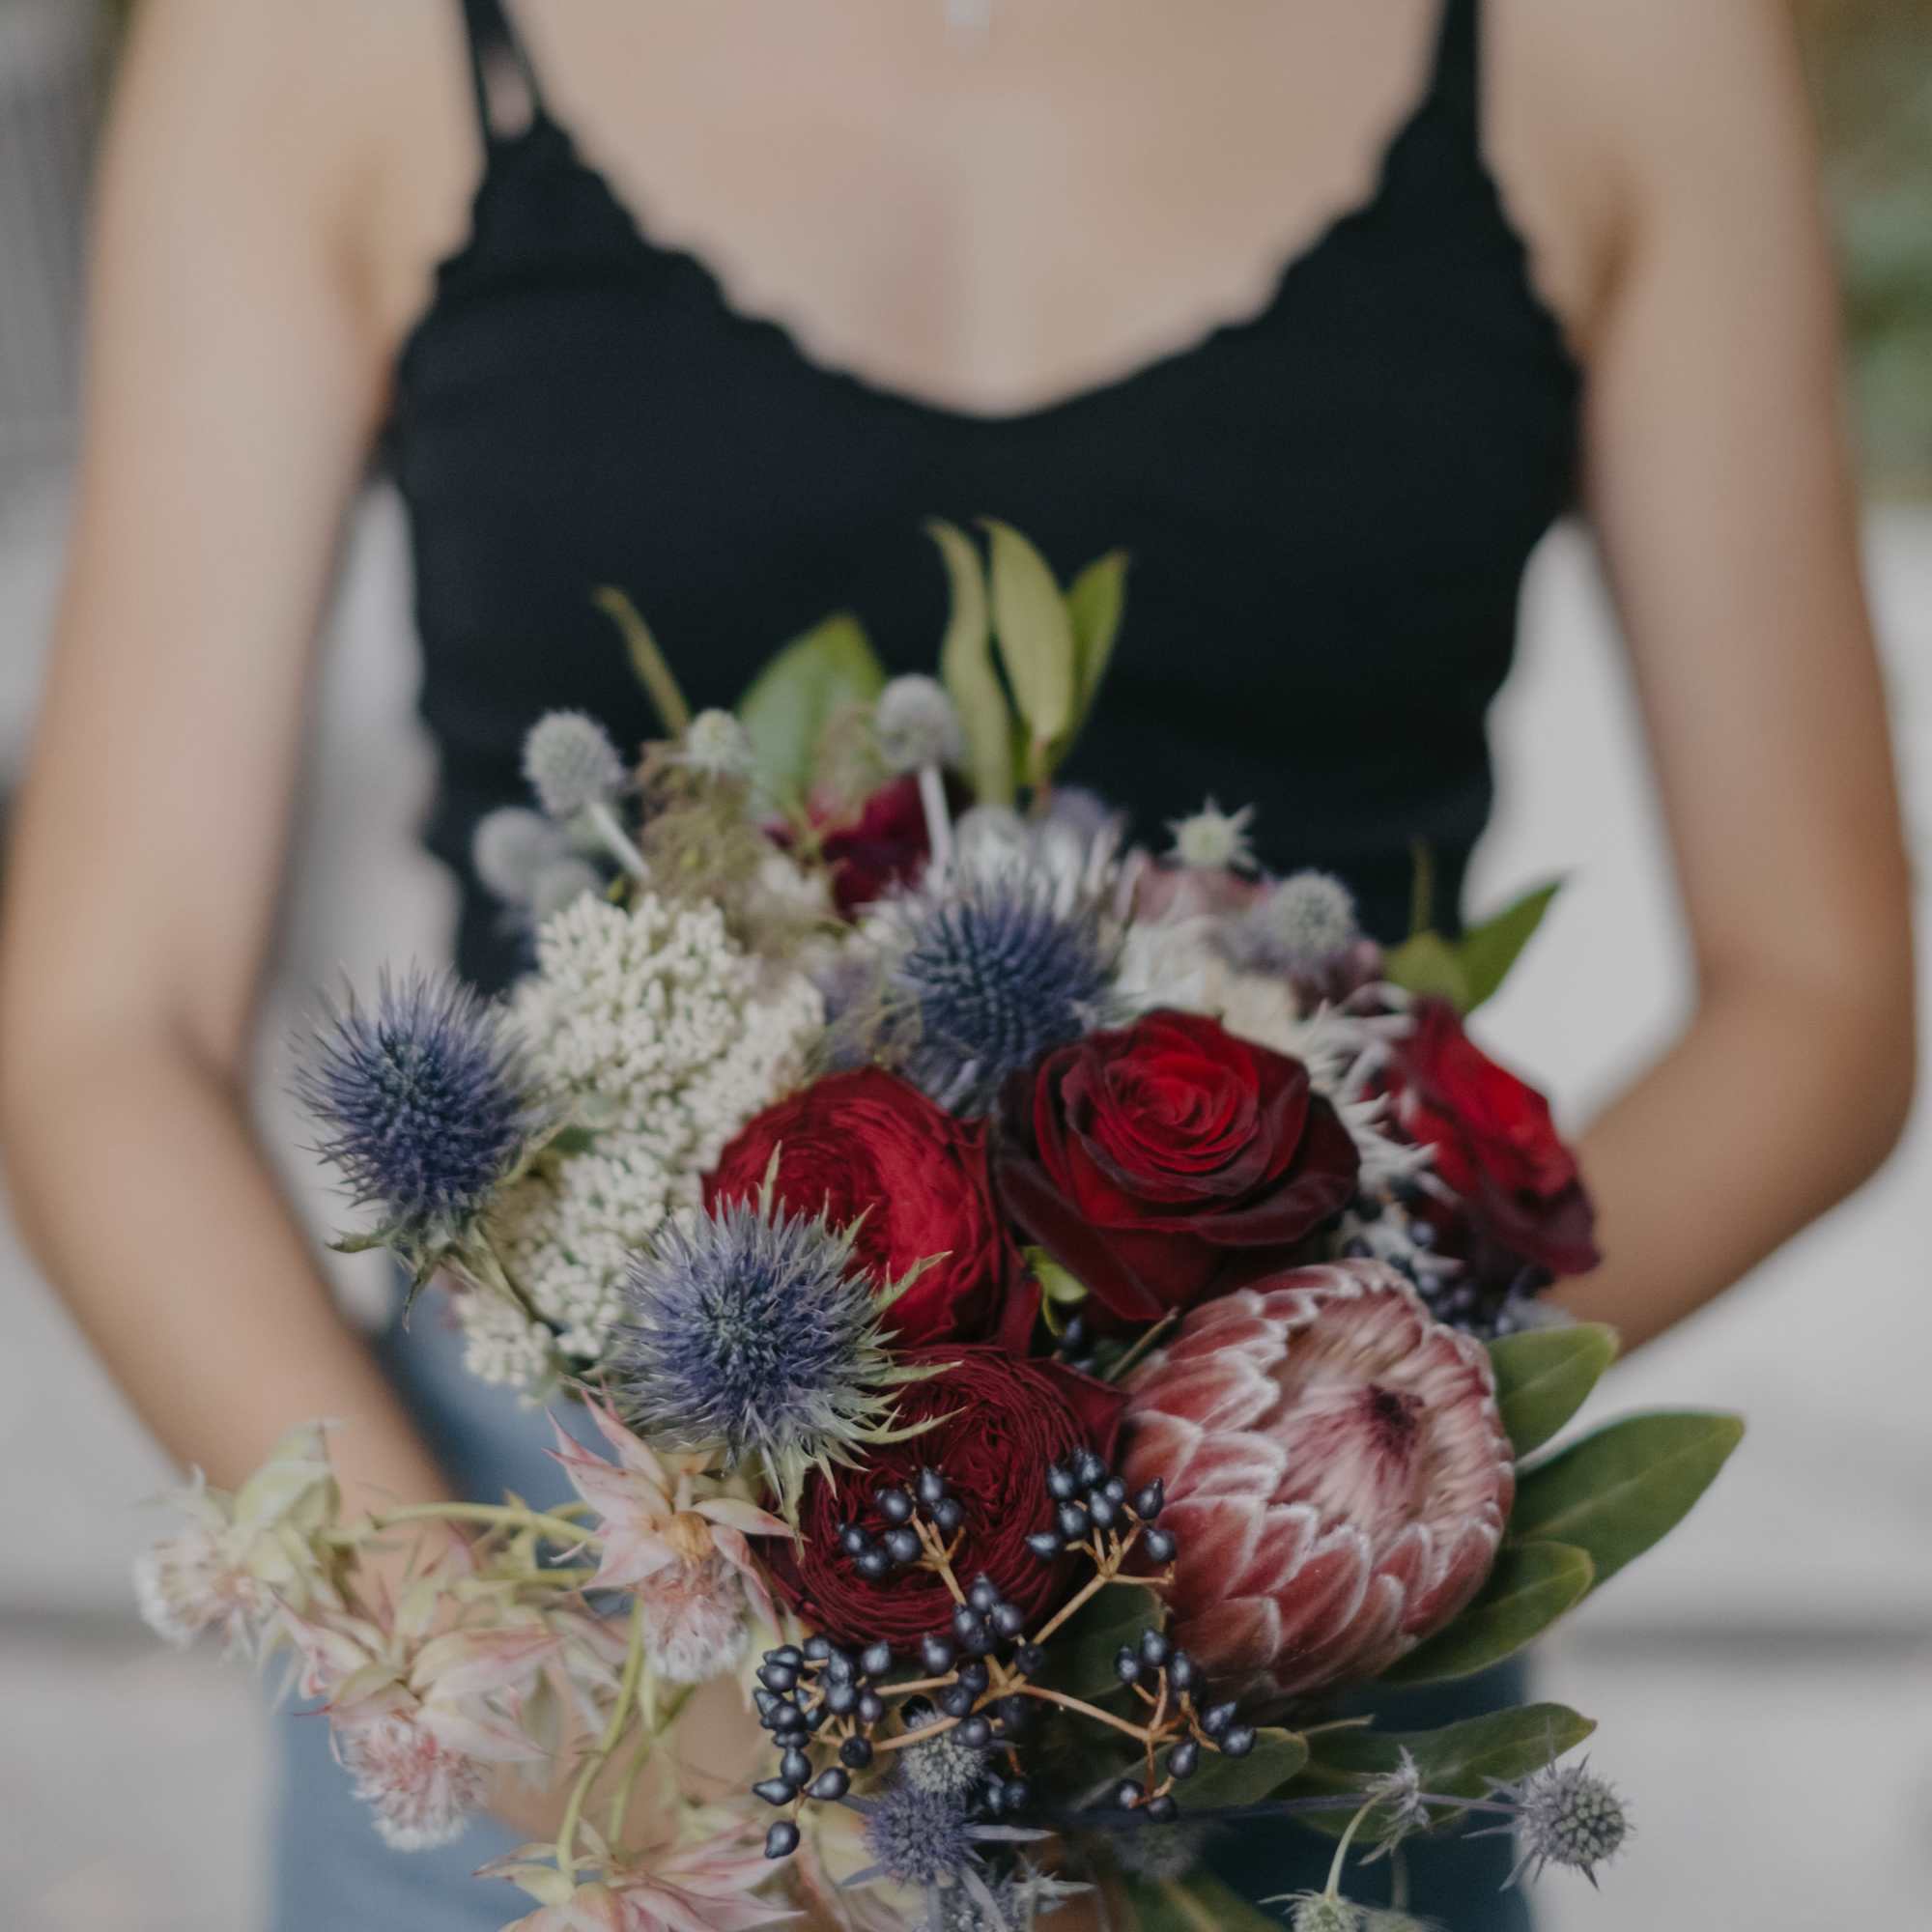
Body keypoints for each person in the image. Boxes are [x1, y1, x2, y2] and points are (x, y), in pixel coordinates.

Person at [0, 1, 1914, 1927]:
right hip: (561, 1646)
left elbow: (1816, 993)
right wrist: (524, 1701)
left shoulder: (1621, 45)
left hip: (1278, 1716)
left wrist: (1310, 1469)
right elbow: (106, 1024)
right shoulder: (318, 43)